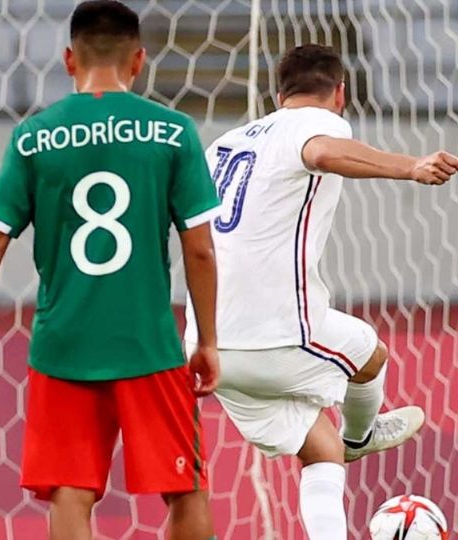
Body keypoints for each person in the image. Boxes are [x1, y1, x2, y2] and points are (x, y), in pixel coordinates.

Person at [0, 2, 222, 539]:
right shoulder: (175, 132)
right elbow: (200, 250)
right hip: (148, 344)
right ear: (139, 60)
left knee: (71, 491)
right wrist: (209, 339)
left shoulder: (35, 136)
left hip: (63, 347)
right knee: (185, 487)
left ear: (67, 59)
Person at [183, 43, 458, 539]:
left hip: (209, 347)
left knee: (319, 448)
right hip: (278, 334)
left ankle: (345, 455)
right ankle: (363, 435)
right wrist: (411, 166)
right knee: (371, 356)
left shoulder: (223, 144)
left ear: (277, 91)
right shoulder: (321, 124)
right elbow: (323, 152)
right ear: (341, 94)